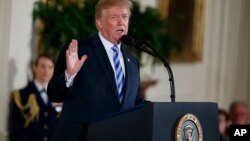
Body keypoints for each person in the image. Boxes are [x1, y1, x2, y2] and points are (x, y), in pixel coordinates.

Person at [47, 0, 145, 140]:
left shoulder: (132, 61)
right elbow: (54, 94)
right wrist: (69, 75)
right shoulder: (79, 50)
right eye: (114, 17)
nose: (121, 22)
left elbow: (133, 101)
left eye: (124, 17)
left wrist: (158, 110)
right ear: (99, 23)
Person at [8, 54, 62, 141]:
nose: (46, 70)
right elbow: (16, 128)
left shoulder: (58, 96)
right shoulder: (21, 95)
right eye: (42, 66)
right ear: (34, 67)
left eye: (50, 67)